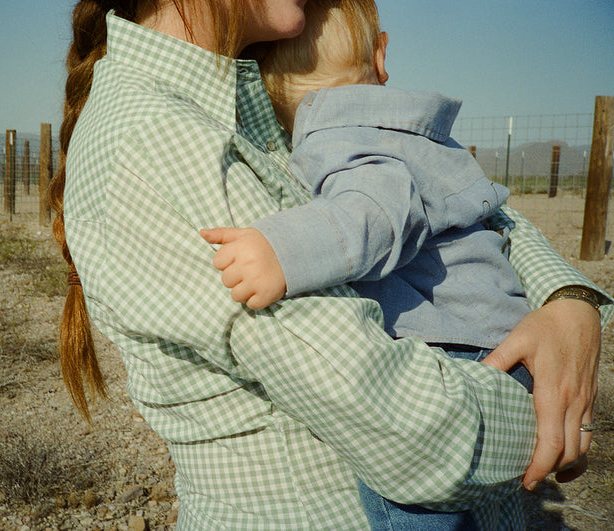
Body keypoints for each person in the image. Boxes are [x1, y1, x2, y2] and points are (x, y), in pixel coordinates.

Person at [48, 1, 612, 529]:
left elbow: (458, 201)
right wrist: (543, 402)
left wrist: (569, 303)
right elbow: (411, 433)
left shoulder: (255, 86)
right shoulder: (157, 140)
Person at [199, 1, 538, 527]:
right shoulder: (402, 131)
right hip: (494, 340)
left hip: (463, 350)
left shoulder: (343, 136)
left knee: (403, 493)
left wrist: (282, 251)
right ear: (381, 55)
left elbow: (376, 215)